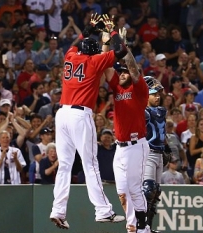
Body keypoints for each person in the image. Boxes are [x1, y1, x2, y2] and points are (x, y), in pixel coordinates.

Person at [50, 13, 128, 229]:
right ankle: (103, 210)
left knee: (64, 165)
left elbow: (76, 43)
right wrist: (111, 30)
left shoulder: (70, 55)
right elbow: (121, 51)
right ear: (94, 53)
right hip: (79, 114)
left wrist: (89, 28)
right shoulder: (94, 61)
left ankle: (58, 210)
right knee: (90, 163)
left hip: (62, 113)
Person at [102, 26, 150, 233]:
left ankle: (143, 227)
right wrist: (105, 43)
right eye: (119, 71)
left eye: (123, 72)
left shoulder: (139, 88)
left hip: (136, 145)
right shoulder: (117, 87)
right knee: (122, 192)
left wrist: (119, 40)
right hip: (120, 147)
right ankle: (132, 226)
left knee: (134, 189)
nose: (120, 74)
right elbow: (105, 67)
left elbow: (132, 66)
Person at [143, 76, 167, 233]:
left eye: (158, 94)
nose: (157, 97)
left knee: (155, 192)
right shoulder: (142, 111)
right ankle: (141, 226)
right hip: (148, 153)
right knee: (148, 190)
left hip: (159, 154)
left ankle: (148, 227)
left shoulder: (161, 110)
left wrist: (167, 148)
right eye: (154, 94)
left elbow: (161, 131)